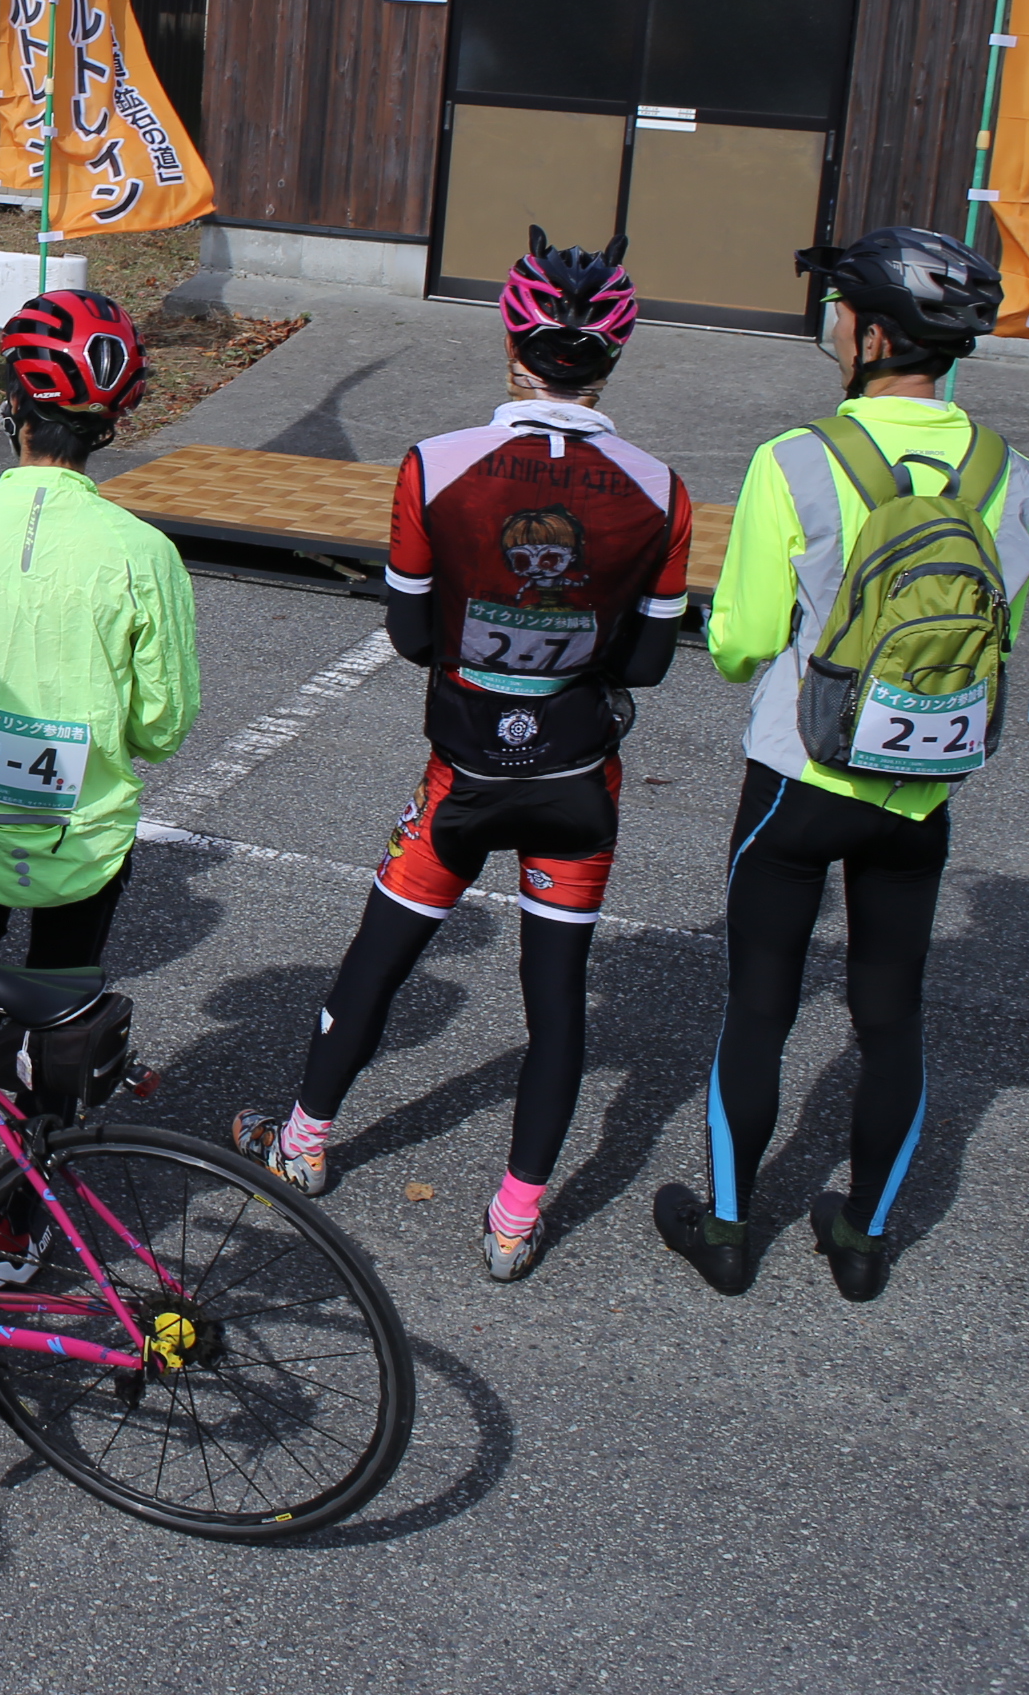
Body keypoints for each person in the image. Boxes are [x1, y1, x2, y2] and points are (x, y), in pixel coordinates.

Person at [232, 235, 691, 1283]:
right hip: (579, 776)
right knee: (558, 997)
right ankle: (515, 1220)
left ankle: (303, 1141)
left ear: (513, 339)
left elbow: (407, 635)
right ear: (613, 353)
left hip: (465, 767)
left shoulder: (436, 465)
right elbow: (656, 659)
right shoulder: (663, 489)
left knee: (380, 956)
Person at [657, 227, 1029, 1305]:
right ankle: (864, 1241)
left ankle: (730, 1229)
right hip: (921, 785)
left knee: (761, 1004)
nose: (832, 325)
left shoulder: (798, 457)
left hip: (797, 772)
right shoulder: (1012, 473)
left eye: (841, 310)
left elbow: (737, 641)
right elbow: (1009, 626)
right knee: (893, 1014)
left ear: (874, 334)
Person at [0, 290, 197, 1219]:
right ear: (110, 423)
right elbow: (161, 727)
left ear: (12, 407)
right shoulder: (145, 554)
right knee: (59, 1035)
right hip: (86, 841)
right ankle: (22, 1222)